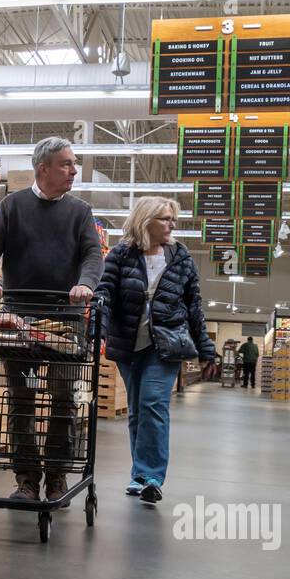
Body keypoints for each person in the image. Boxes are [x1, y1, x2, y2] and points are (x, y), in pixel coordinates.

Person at [0, 137, 103, 505]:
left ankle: (57, 477)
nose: (74, 170)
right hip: (19, 319)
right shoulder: (12, 206)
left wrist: (84, 284)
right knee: (21, 400)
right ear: (43, 168)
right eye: (66, 164)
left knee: (64, 398)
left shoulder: (80, 211)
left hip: (66, 321)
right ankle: (27, 479)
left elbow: (92, 254)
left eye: (74, 163)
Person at [95, 196, 218, 506]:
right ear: (145, 220)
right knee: (137, 410)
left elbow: (194, 307)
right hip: (127, 343)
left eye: (172, 219)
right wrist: (98, 328)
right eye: (165, 218)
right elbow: (105, 293)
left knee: (152, 403)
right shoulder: (122, 254)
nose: (172, 224)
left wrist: (206, 350)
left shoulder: (180, 257)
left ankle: (152, 476)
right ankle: (138, 475)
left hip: (166, 344)